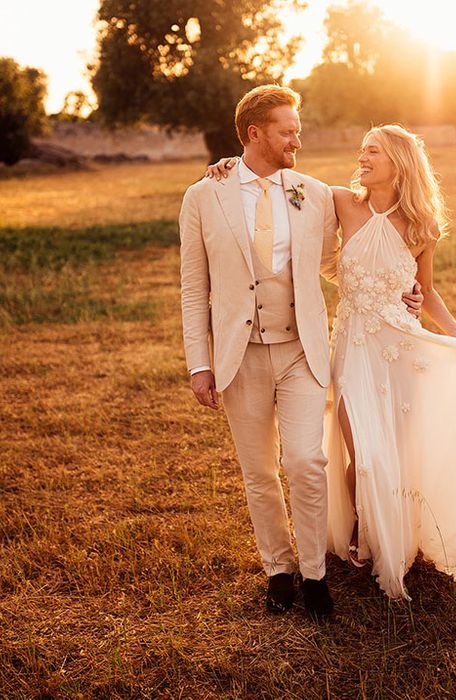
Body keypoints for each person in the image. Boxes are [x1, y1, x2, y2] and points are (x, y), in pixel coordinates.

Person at [207, 124, 456, 601]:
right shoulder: (342, 201)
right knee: (363, 452)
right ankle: (361, 530)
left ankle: (395, 533)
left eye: (373, 152)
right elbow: (280, 184)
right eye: (362, 150)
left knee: (397, 452)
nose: (362, 158)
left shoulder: (421, 225)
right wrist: (229, 166)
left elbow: (427, 292)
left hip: (402, 345)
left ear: (398, 163)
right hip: (353, 345)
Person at [180, 85, 422, 621]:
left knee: (307, 461)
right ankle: (279, 569)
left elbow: (374, 237)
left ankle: (315, 574)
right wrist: (200, 363)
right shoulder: (204, 195)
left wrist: (408, 285)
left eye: (298, 128)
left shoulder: (315, 193)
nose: (298, 138)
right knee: (259, 470)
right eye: (288, 130)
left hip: (302, 352)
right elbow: (193, 287)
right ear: (254, 134)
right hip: (238, 356)